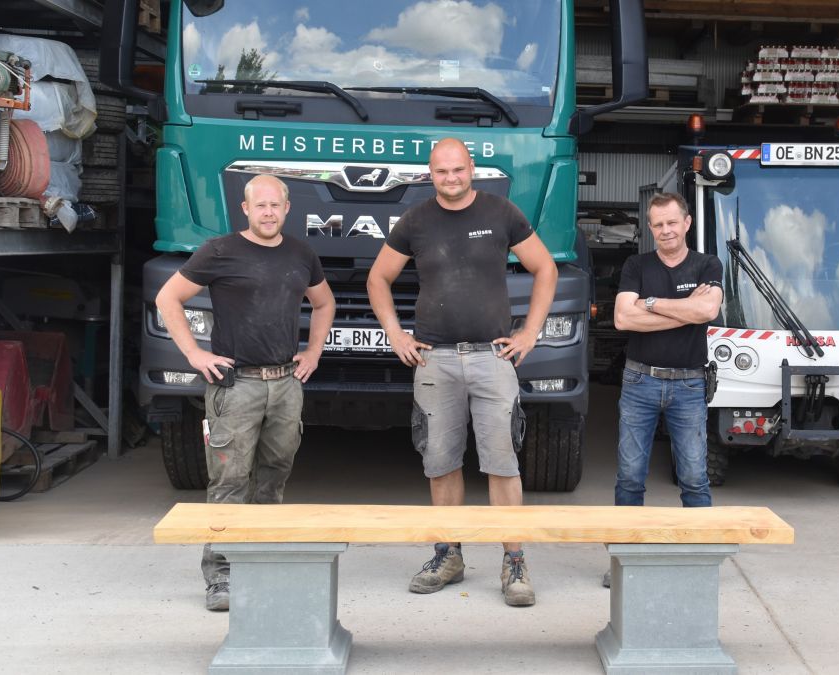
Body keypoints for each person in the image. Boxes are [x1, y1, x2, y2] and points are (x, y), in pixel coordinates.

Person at [367, 138, 557, 607]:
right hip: (436, 360)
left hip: (494, 358)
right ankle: (448, 554)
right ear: (429, 174)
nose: (450, 178)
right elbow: (378, 278)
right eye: (441, 171)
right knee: (440, 461)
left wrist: (530, 332)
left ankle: (514, 561)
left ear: (471, 168)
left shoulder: (501, 212)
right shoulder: (415, 221)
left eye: (457, 169)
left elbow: (545, 268)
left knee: (502, 462)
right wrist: (395, 334)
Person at [155, 174, 335, 611]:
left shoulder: (301, 254)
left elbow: (324, 302)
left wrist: (313, 351)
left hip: (286, 384)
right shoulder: (219, 251)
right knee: (229, 482)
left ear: (287, 208)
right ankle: (221, 576)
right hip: (236, 387)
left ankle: (260, 564)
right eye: (261, 205)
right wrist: (194, 353)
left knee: (274, 478)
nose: (268, 213)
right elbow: (167, 298)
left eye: (275, 205)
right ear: (246, 209)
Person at [605, 192, 722, 585]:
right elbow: (623, 319)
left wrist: (651, 303)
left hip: (689, 383)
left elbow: (708, 310)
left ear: (687, 223)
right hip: (639, 381)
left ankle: (700, 564)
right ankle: (624, 563)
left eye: (672, 222)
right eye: (658, 224)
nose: (666, 230)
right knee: (629, 476)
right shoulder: (636, 265)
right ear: (650, 227)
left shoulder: (708, 264)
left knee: (694, 476)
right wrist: (684, 310)